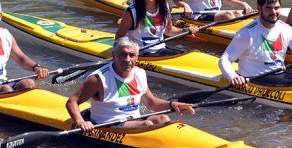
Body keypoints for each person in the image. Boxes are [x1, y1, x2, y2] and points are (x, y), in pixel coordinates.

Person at [66, 37, 196, 132]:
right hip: (107, 125)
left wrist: (173, 104)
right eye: (123, 55)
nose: (127, 60)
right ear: (114, 55)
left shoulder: (140, 73)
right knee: (147, 124)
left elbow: (152, 103)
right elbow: (72, 102)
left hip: (134, 121)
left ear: (137, 57)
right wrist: (80, 122)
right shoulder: (98, 79)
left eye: (131, 55)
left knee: (163, 118)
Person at [116, 0, 198, 55]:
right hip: (140, 52)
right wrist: (125, 54)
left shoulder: (165, 7)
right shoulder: (132, 11)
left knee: (189, 53)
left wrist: (186, 30)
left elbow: (169, 30)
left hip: (160, 50)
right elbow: (119, 36)